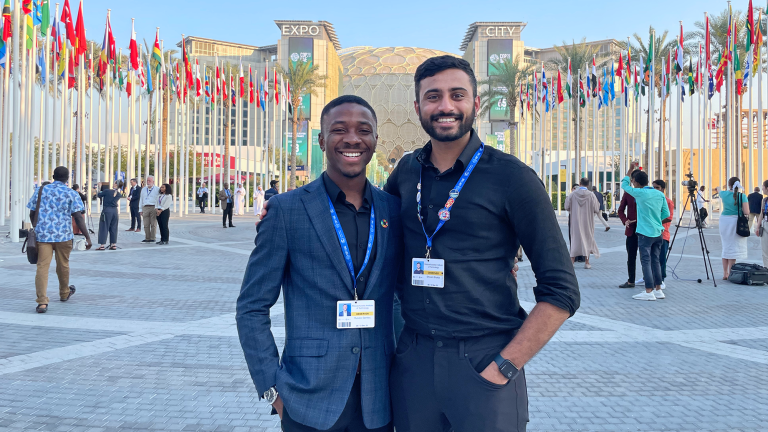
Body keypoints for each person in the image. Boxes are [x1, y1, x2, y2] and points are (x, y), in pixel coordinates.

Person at [383, 56, 579, 432]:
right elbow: (368, 223)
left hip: (484, 360)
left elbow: (562, 292)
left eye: (457, 95)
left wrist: (505, 366)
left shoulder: (513, 178)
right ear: (418, 107)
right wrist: (285, 211)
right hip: (413, 360)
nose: (445, 106)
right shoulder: (406, 172)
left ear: (474, 102)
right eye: (433, 96)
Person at [237, 95, 402, 432]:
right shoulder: (286, 211)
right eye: (339, 129)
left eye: (363, 130)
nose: (352, 138)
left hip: (380, 399)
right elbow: (252, 307)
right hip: (308, 399)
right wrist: (273, 389)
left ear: (374, 141)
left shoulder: (394, 211)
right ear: (322, 140)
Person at [26, 166, 93, 313]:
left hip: (43, 236)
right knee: (63, 265)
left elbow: (32, 212)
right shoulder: (71, 193)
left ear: (53, 176)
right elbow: (78, 217)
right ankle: (64, 293)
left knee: (42, 267)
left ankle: (42, 302)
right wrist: (87, 237)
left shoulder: (40, 190)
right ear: (67, 178)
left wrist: (37, 226)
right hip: (63, 236)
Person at [621, 163, 670, 301]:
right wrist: (656, 220)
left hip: (644, 233)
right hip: (658, 232)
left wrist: (629, 170)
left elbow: (624, 186)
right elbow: (666, 213)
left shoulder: (640, 193)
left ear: (636, 182)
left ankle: (649, 291)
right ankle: (658, 289)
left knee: (646, 261)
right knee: (655, 261)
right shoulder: (659, 194)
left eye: (633, 181)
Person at [565, 178, 607, 269]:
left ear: (580, 183)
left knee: (575, 239)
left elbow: (567, 206)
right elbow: (596, 208)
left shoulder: (573, 194)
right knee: (587, 239)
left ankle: (572, 261)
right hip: (588, 221)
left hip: (575, 220)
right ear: (588, 185)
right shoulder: (591, 195)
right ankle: (587, 262)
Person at [719, 177, 750, 279]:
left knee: (726, 247)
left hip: (724, 221)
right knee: (733, 249)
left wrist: (718, 189)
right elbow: (746, 212)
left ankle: (724, 273)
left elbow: (719, 190)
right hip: (735, 222)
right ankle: (731, 273)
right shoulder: (742, 196)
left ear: (729, 185)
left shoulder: (724, 194)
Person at [617, 171, 639, 288]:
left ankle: (649, 280)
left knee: (647, 257)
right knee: (631, 256)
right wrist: (625, 220)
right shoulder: (628, 193)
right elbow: (620, 210)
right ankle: (631, 280)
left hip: (644, 228)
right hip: (631, 229)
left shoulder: (648, 193)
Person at [652, 180, 673, 290]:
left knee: (661, 258)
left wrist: (656, 221)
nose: (655, 189)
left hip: (663, 234)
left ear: (663, 189)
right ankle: (650, 278)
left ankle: (661, 279)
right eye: (653, 187)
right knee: (651, 258)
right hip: (651, 233)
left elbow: (669, 217)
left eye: (657, 187)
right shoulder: (651, 200)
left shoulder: (668, 202)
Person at [96, 181, 123, 250]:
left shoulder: (107, 191)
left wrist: (99, 187)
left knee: (104, 227)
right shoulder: (119, 194)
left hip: (107, 210)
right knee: (114, 228)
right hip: (115, 211)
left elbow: (99, 195)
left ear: (115, 184)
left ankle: (102, 245)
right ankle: (113, 244)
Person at [138, 176, 160, 243]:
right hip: (145, 207)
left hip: (153, 207)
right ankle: (147, 238)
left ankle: (153, 237)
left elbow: (159, 200)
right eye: (147, 180)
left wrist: (158, 208)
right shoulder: (144, 189)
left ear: (153, 181)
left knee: (153, 223)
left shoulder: (157, 189)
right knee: (146, 224)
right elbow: (141, 199)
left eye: (149, 181)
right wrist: (140, 209)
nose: (148, 182)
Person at [755, 180, 768, 267]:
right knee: (765, 250)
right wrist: (758, 227)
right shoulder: (765, 200)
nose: (762, 188)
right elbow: (761, 214)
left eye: (763, 187)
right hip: (766, 224)